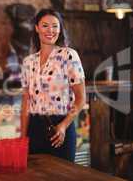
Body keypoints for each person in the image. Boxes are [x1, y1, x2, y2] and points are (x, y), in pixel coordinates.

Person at [20, 9, 86, 162]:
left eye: (55, 26)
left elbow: (81, 99)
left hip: (60, 127)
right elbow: (26, 103)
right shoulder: (28, 62)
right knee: (35, 175)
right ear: (37, 28)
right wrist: (22, 137)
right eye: (45, 25)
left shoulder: (68, 55)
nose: (50, 30)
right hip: (34, 128)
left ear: (60, 29)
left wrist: (63, 126)